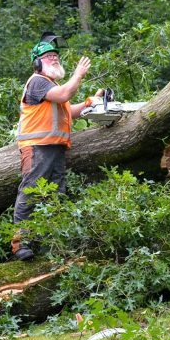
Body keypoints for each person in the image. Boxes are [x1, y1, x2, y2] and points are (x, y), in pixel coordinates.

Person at [12, 32, 101, 261]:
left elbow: (68, 111)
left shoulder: (52, 85)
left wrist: (91, 102)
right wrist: (79, 74)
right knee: (31, 193)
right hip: (37, 148)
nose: (54, 58)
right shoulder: (38, 82)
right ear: (37, 63)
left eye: (55, 55)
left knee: (53, 195)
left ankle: (47, 244)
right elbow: (64, 95)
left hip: (55, 149)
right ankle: (20, 244)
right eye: (48, 56)